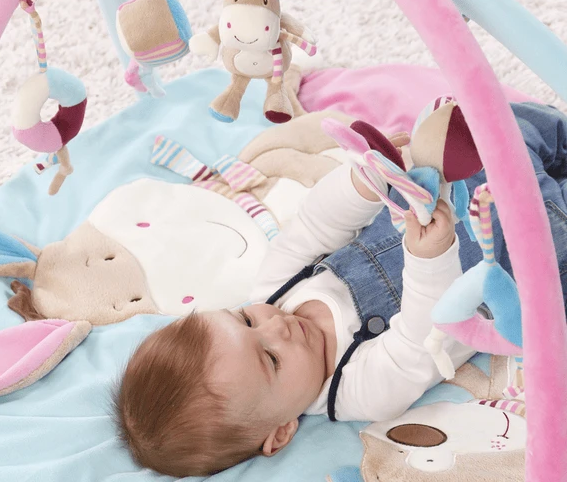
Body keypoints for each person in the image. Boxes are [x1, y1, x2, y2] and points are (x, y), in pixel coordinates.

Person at [114, 101, 567, 478]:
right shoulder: (358, 391)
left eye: (244, 319)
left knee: (497, 122)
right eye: (270, 359)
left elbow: (315, 225)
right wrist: (429, 256)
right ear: (282, 431)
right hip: (528, 261)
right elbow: (423, 338)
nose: (275, 326)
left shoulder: (274, 289)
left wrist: (362, 184)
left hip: (468, 183)